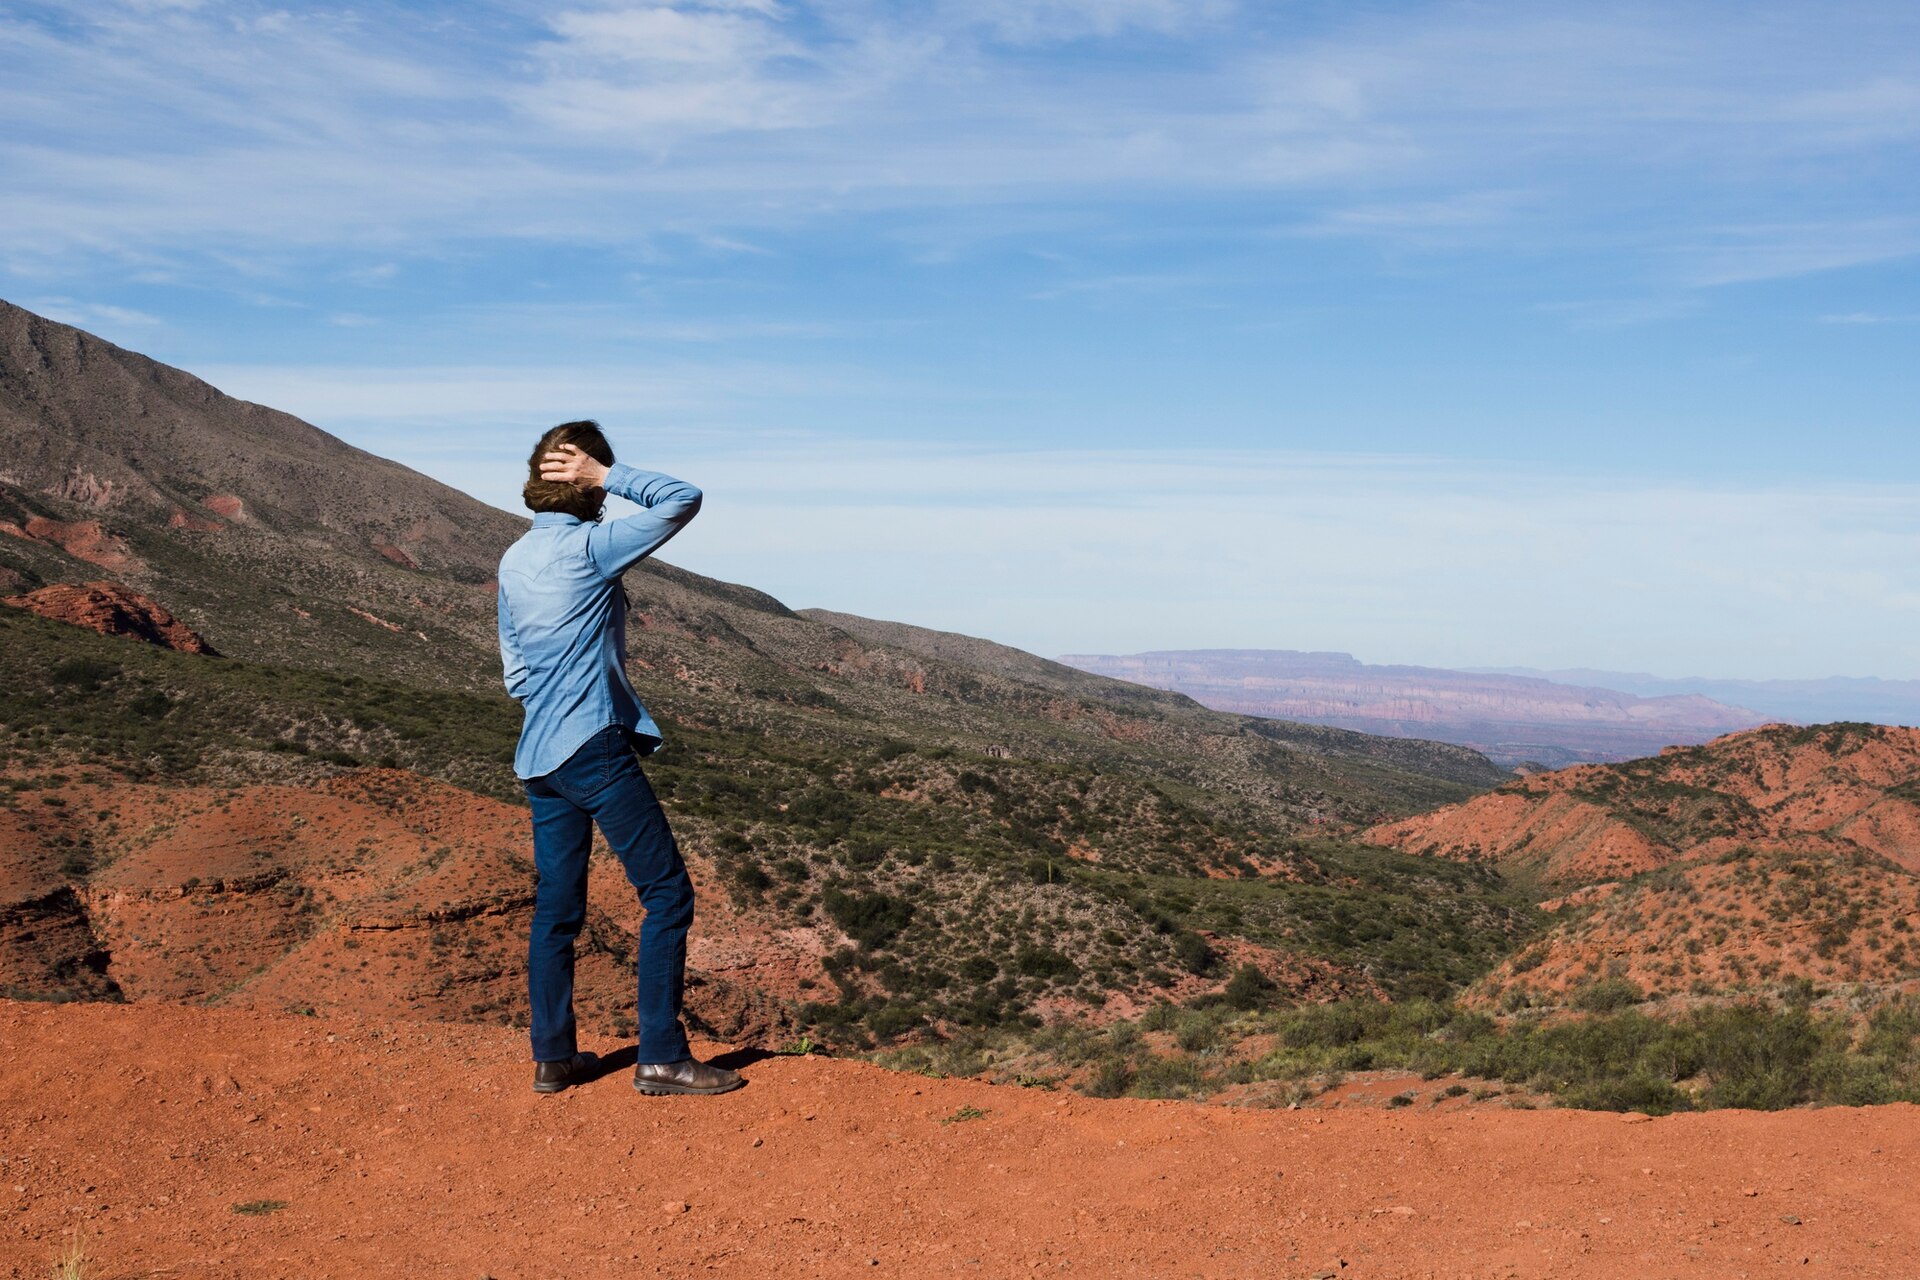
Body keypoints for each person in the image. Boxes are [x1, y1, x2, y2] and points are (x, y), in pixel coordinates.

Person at [497, 420, 743, 1096]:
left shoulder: (514, 560)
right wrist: (607, 476)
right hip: (593, 749)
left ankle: (553, 1058)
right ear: (580, 481)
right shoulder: (592, 547)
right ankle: (661, 1056)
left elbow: (516, 670)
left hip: (539, 758)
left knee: (558, 909)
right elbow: (682, 498)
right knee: (667, 895)